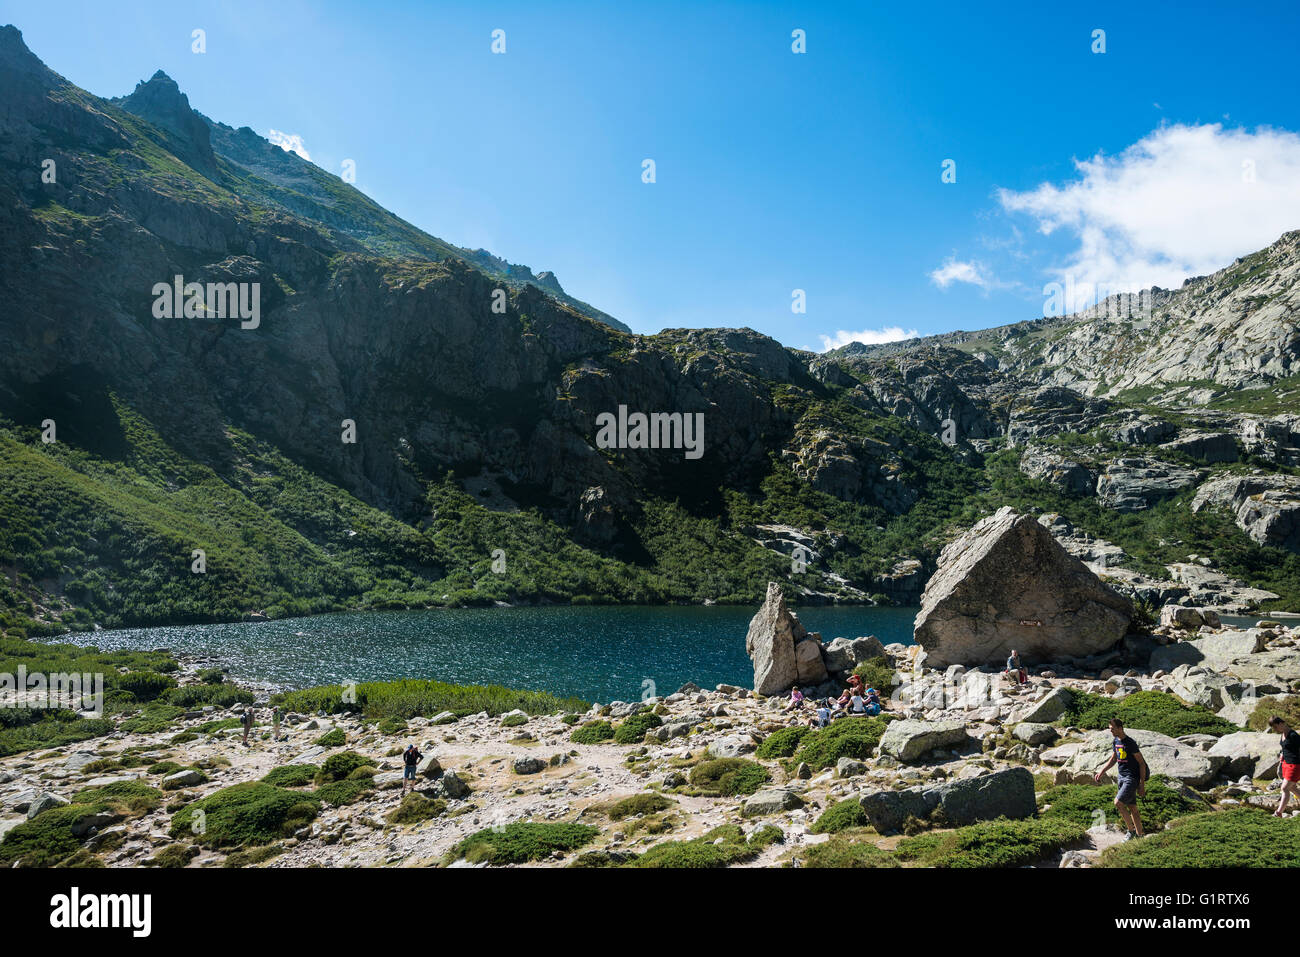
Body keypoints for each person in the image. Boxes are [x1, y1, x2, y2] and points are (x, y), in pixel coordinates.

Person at [1093, 717, 1149, 840]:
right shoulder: (1116, 741)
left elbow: (1141, 764)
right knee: (1133, 808)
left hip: (1131, 778)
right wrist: (1102, 771)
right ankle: (1140, 836)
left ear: (1120, 728)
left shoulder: (1130, 743)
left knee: (1118, 803)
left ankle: (1131, 832)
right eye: (1110, 729)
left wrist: (1142, 785)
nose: (1111, 731)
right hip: (1121, 777)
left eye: (1113, 729)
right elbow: (1114, 759)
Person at [1269, 716, 1300, 816]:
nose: (1275, 730)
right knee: (1292, 788)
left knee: (1284, 788)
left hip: (1295, 765)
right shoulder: (1283, 734)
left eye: (1275, 727)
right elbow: (1285, 748)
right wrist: (1282, 756)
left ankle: (1278, 813)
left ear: (1280, 723)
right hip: (1286, 764)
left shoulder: (1293, 735)